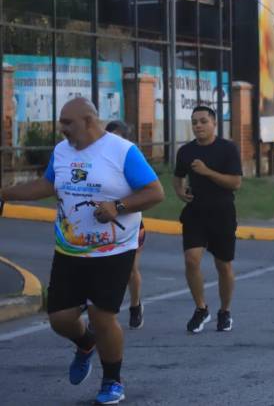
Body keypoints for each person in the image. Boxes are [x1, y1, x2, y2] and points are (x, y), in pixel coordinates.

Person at [0, 98, 165, 405]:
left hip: (113, 250)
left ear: (88, 121)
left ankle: (113, 380)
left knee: (103, 318)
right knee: (60, 318)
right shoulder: (62, 152)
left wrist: (118, 206)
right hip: (70, 248)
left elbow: (155, 192)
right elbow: (47, 185)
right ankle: (85, 343)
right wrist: (4, 194)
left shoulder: (122, 151)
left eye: (67, 123)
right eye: (61, 122)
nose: (62, 129)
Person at [173, 106, 243, 334]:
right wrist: (180, 192)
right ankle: (201, 308)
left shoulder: (227, 149)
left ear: (214, 123)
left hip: (222, 212)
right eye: (194, 122)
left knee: (223, 265)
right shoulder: (185, 151)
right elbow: (177, 177)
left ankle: (225, 311)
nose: (198, 126)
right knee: (191, 260)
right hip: (195, 213)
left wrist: (207, 172)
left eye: (203, 121)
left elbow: (235, 183)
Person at [105, 120, 146, 330]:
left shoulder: (132, 160)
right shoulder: (98, 159)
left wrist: (120, 205)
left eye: (117, 138)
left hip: (130, 223)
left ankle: (135, 304)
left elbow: (149, 192)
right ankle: (100, 308)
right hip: (103, 224)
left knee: (130, 268)